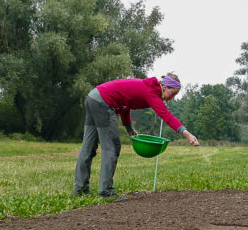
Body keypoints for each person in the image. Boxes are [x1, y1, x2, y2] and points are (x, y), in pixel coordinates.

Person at [72, 73, 200, 198]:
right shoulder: (151, 92)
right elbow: (167, 116)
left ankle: (80, 189)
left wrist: (128, 127)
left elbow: (125, 104)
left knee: (88, 146)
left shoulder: (146, 87)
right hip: (103, 102)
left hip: (93, 97)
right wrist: (187, 134)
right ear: (165, 87)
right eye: (173, 94)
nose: (173, 98)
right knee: (112, 146)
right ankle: (106, 191)